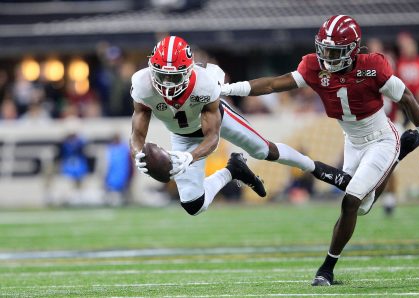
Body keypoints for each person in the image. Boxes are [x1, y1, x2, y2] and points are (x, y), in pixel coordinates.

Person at [221, 15, 419, 286]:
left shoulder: (372, 65)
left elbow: (406, 96)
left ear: (353, 49)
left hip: (382, 138)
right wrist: (230, 89)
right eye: (324, 49)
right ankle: (400, 154)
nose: (327, 57)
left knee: (351, 201)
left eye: (335, 51)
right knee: (361, 207)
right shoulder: (314, 67)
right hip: (352, 140)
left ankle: (326, 269)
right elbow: (273, 84)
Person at [130, 36, 350, 216]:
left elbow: (212, 138)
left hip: (216, 122)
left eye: (174, 77)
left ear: (188, 71)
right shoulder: (142, 83)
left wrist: (190, 157)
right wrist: (138, 154)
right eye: (162, 76)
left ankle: (317, 168)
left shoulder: (205, 84)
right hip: (181, 135)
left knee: (264, 149)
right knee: (193, 206)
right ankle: (233, 170)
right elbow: (137, 132)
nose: (167, 85)